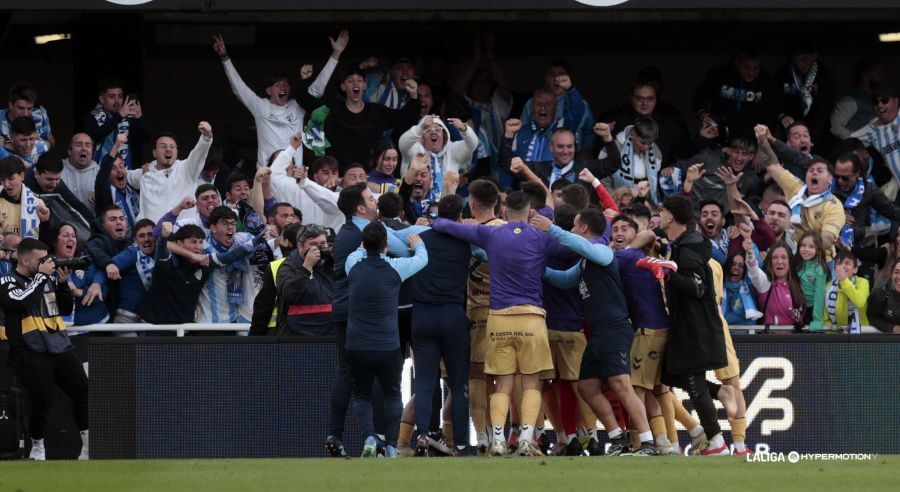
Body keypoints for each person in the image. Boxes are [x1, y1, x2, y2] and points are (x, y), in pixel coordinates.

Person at [431, 191, 562, 457]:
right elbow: (572, 248)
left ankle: (498, 440)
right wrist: (553, 229)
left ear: (504, 209)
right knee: (530, 383)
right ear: (529, 211)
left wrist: (434, 222)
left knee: (500, 384)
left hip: (498, 319)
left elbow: (445, 225)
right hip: (532, 318)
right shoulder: (540, 237)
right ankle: (526, 438)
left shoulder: (490, 235)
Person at [533, 210, 660, 456]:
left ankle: (647, 442)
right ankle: (618, 438)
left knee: (621, 384)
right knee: (587, 387)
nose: (570, 229)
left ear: (583, 229)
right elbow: (563, 279)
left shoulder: (602, 251)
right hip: (599, 331)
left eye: (573, 226)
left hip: (613, 328)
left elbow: (578, 244)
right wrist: (534, 268)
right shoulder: (584, 261)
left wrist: (552, 229)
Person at [325, 183, 423, 457]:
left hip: (347, 310)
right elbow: (404, 249)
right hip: (362, 314)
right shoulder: (366, 232)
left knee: (349, 373)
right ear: (360, 208)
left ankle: (339, 434)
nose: (375, 201)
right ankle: (380, 438)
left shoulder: (350, 230)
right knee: (379, 378)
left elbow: (397, 234)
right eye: (370, 198)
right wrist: (431, 232)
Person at [0, 238, 88, 460]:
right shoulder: (7, 280)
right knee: (43, 400)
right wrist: (41, 277)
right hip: (30, 348)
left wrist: (62, 284)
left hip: (58, 344)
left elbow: (66, 308)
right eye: (41, 260)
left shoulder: (46, 279)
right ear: (24, 259)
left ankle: (87, 446)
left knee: (82, 390)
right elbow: (18, 302)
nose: (47, 263)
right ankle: (38, 444)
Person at [344, 223, 428, 457]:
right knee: (392, 395)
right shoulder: (396, 267)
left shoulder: (352, 265)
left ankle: (370, 436)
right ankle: (391, 445)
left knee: (362, 394)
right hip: (387, 345)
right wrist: (418, 244)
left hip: (357, 344)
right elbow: (422, 259)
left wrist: (363, 246)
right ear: (386, 245)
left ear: (364, 243)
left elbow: (358, 252)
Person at [656, 195, 730, 455]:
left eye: (662, 210)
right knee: (668, 375)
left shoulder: (687, 249)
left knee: (695, 384)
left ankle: (718, 443)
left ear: (670, 217)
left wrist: (666, 272)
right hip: (688, 325)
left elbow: (696, 287)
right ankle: (720, 393)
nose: (659, 214)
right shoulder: (683, 245)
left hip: (695, 327)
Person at [212, 31, 347, 168]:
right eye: (277, 85)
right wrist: (224, 57)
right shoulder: (260, 107)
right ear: (268, 91)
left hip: (294, 175)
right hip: (268, 175)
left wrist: (335, 55)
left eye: (286, 84)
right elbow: (239, 87)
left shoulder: (296, 107)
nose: (283, 87)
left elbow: (317, 89)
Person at [408, 195, 471, 456]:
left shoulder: (421, 238)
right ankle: (461, 444)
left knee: (423, 381)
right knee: (458, 384)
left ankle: (422, 434)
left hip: (422, 316)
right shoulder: (465, 241)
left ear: (434, 214)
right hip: (453, 316)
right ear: (459, 217)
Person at [756, 125, 844, 259]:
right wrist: (762, 140)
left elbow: (827, 239)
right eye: (811, 170)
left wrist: (804, 244)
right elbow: (772, 165)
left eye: (819, 171)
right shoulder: (796, 187)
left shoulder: (834, 206)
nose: (814, 172)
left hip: (818, 263)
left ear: (830, 179)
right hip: (789, 254)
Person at [319, 66, 421, 172]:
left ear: (365, 85)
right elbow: (309, 99)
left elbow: (405, 120)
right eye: (350, 80)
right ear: (343, 86)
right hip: (339, 179)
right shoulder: (332, 110)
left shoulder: (377, 112)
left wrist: (414, 96)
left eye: (359, 80)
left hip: (371, 179)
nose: (355, 84)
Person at [692, 47, 777, 140]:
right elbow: (699, 98)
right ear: (737, 63)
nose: (751, 73)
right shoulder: (719, 76)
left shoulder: (766, 81)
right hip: (721, 133)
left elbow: (771, 110)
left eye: (755, 69)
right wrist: (702, 114)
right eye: (747, 68)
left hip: (752, 137)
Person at [138, 121, 214, 223]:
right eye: (163, 146)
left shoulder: (186, 169)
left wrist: (206, 137)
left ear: (177, 152)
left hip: (183, 234)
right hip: (153, 235)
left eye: (172, 147)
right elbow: (123, 174)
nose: (168, 149)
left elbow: (198, 154)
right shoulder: (146, 173)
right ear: (155, 153)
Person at [398, 115, 478, 199]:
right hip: (414, 204)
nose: (433, 132)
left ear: (444, 135)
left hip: (445, 206)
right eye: (428, 130)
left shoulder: (453, 150)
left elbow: (473, 144)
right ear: (422, 138)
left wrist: (464, 128)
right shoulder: (415, 150)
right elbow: (403, 144)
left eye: (438, 129)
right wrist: (420, 128)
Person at [275, 224, 334, 336]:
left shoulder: (331, 265)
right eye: (313, 244)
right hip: (298, 335)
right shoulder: (288, 267)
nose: (319, 249)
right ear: (300, 246)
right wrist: (306, 267)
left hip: (330, 334)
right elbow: (290, 295)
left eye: (323, 244)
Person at [82, 78, 147, 167]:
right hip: (98, 170)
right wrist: (119, 116)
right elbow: (95, 135)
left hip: (124, 170)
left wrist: (140, 118)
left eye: (120, 96)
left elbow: (144, 139)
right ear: (102, 99)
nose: (117, 101)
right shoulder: (92, 117)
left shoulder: (129, 117)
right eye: (112, 97)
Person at [775, 44, 834, 142]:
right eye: (796, 60)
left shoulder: (824, 76)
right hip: (791, 129)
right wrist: (781, 115)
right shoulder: (783, 74)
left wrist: (810, 136)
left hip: (818, 133)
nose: (800, 64)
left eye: (804, 59)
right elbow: (774, 100)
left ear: (814, 56)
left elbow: (824, 109)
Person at [109, 218, 156, 327]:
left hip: (149, 319)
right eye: (141, 236)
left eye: (150, 234)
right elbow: (108, 267)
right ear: (134, 240)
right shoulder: (132, 253)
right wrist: (96, 284)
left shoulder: (161, 254)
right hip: (127, 319)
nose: (147, 239)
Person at [26, 152, 96, 225]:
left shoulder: (58, 186)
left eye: (57, 179)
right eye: (49, 179)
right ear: (37, 174)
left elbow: (78, 208)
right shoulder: (22, 180)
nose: (54, 184)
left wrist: (97, 230)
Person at [746, 240, 806, 327]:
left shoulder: (799, 283)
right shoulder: (766, 283)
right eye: (775, 257)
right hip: (772, 339)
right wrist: (750, 253)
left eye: (784, 257)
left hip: (796, 339)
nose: (779, 261)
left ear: (790, 262)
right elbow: (754, 272)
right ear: (770, 262)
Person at [830, 59, 886, 141]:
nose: (882, 77)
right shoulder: (851, 100)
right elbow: (835, 126)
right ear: (865, 75)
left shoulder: (876, 99)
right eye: (877, 73)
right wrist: (857, 141)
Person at [94, 134, 142, 227]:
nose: (119, 170)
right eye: (113, 168)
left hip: (138, 239)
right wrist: (116, 146)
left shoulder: (134, 187)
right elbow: (102, 173)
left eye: (121, 166)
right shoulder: (104, 193)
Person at [0, 156, 50, 238]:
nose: (6, 184)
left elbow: (44, 240)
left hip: (29, 250)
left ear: (22, 176)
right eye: (3, 180)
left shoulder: (37, 203)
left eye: (11, 178)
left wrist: (45, 222)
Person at [823, 249, 869, 330]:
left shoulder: (863, 282)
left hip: (861, 334)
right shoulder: (827, 287)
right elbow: (825, 319)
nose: (843, 266)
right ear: (835, 269)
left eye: (847, 263)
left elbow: (860, 301)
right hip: (837, 336)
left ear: (855, 269)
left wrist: (844, 280)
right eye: (839, 263)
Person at [0, 82, 53, 147]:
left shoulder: (40, 115)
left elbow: (51, 141)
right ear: (10, 105)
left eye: (30, 108)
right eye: (21, 108)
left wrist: (38, 141)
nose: (25, 113)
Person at [794, 231, 828, 330]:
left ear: (818, 250)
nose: (806, 249)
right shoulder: (797, 264)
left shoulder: (819, 269)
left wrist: (817, 319)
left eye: (811, 247)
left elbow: (819, 295)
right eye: (803, 245)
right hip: (797, 308)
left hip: (811, 310)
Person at [61, 133, 100, 208]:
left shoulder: (101, 173)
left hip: (91, 219)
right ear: (69, 151)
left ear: (92, 152)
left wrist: (100, 194)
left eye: (88, 145)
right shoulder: (57, 170)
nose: (84, 148)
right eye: (79, 145)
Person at [867, 258, 900, 333]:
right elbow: (872, 318)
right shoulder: (880, 294)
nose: (899, 277)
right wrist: (893, 328)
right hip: (886, 342)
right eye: (897, 272)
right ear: (892, 274)